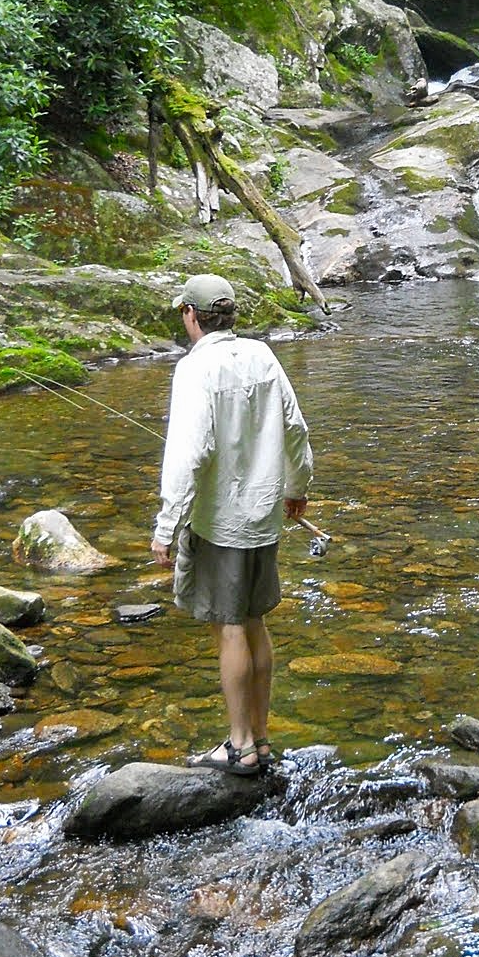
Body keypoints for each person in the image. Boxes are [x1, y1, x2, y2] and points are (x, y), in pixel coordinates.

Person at [151, 273, 313, 776]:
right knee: (255, 621)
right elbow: (295, 428)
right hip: (265, 516)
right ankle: (261, 740)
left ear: (191, 316)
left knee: (230, 628)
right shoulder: (264, 355)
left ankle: (239, 746)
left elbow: (188, 453)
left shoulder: (194, 369)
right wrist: (296, 490)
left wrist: (167, 524)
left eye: (184, 313)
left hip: (220, 523)